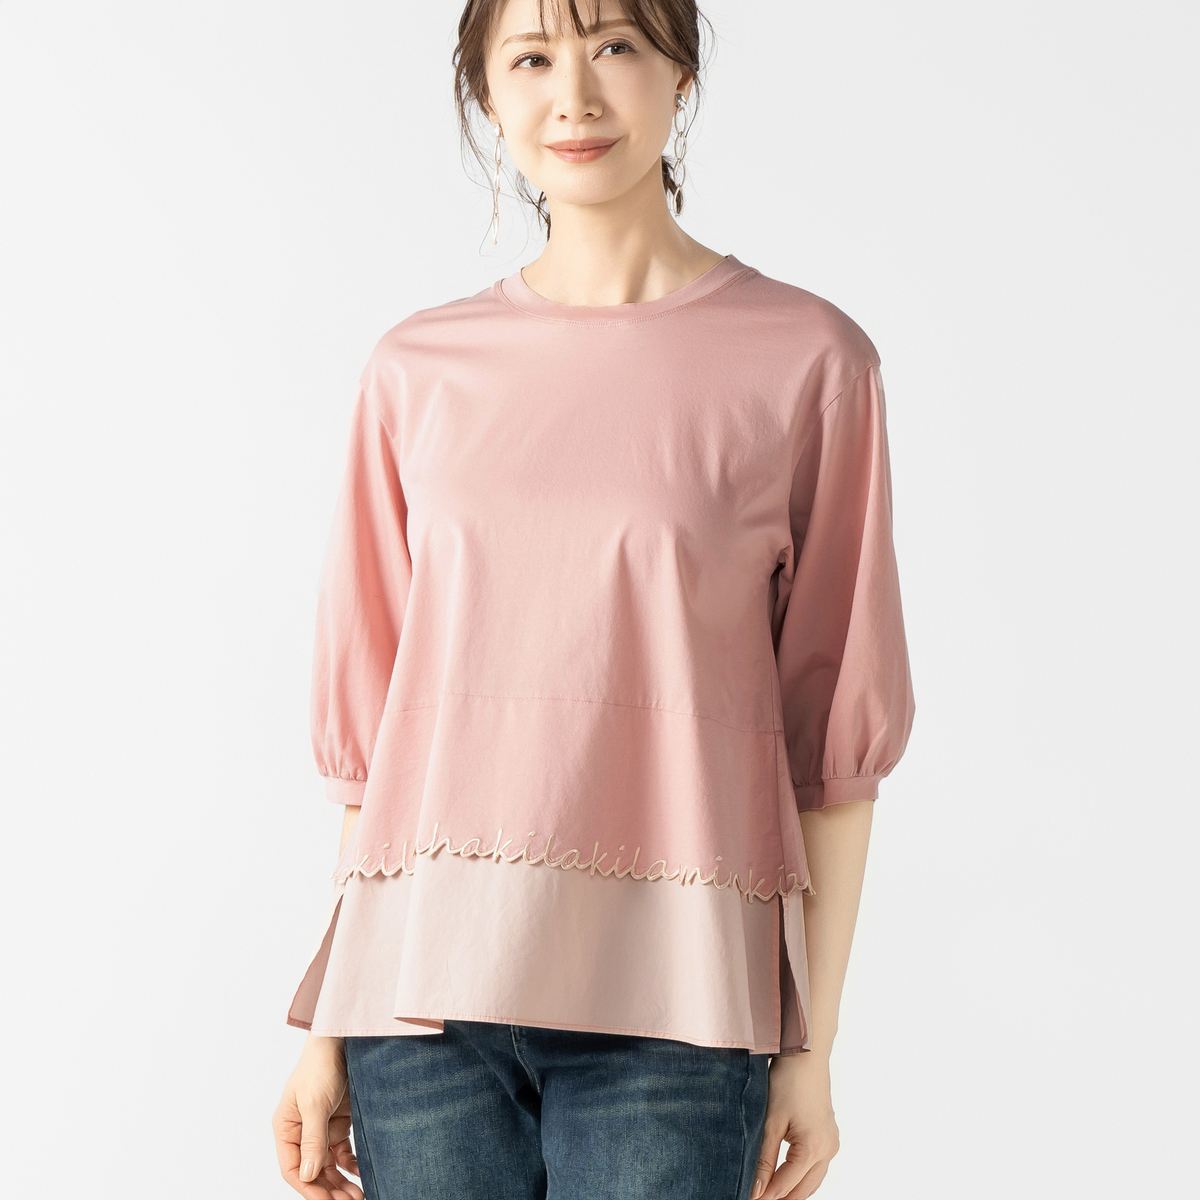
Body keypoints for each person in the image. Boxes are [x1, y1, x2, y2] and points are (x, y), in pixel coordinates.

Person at [271, 1, 915, 1197]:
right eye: (532, 58)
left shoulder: (811, 362)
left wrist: (812, 1049)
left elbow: (835, 749)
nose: (574, 94)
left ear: (682, 76)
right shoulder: (416, 372)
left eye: (615, 45)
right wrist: (328, 1031)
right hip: (418, 1012)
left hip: (677, 1013)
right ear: (488, 97)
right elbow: (373, 754)